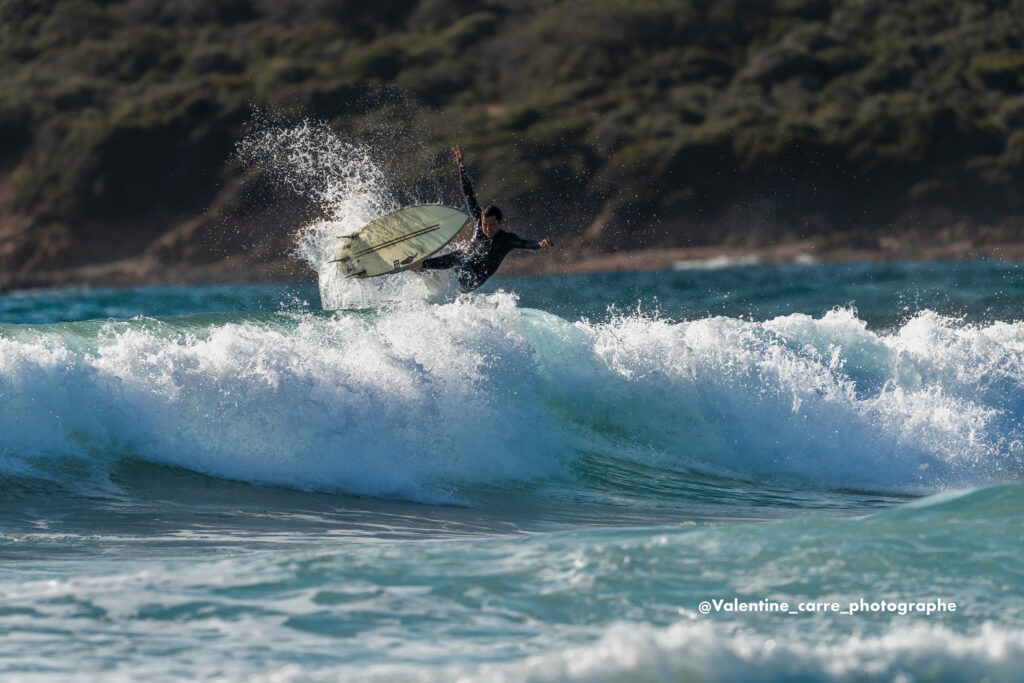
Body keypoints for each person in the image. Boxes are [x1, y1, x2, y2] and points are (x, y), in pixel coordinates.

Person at [413, 146, 553, 291]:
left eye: (492, 225)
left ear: (500, 222)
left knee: (460, 256)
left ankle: (423, 264)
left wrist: (540, 244)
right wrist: (461, 167)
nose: (487, 229)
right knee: (444, 266)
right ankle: (417, 267)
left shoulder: (507, 240)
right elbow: (469, 195)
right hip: (458, 273)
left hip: (472, 280)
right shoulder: (480, 222)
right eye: (485, 225)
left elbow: (526, 244)